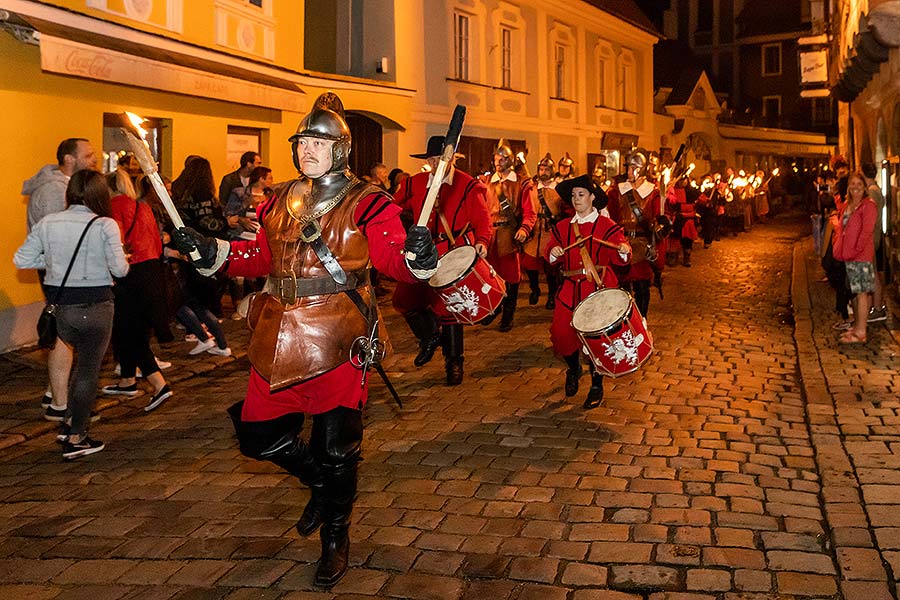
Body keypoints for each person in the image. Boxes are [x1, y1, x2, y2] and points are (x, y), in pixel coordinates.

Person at [170, 92, 438, 587]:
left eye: (318, 141)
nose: (307, 149)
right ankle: (320, 484)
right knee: (257, 437)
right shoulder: (278, 199)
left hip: (339, 336)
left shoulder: (369, 201)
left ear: (340, 148)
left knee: (339, 449)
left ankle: (336, 535)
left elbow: (391, 259)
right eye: (302, 141)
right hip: (277, 335)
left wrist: (419, 257)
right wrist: (211, 249)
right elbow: (258, 258)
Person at [15, 169, 129, 458]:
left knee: (76, 365)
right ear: (100, 194)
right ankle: (77, 435)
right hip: (97, 304)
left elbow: (22, 258)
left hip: (62, 306)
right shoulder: (105, 224)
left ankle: (68, 422)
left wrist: (54, 263)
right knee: (88, 372)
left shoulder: (49, 222)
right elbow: (120, 270)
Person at [392, 135, 492, 385]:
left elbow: (482, 219)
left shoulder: (468, 185)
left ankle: (454, 362)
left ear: (452, 159)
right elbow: (392, 206)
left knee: (450, 309)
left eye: (441, 159)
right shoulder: (414, 183)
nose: (436, 164)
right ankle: (428, 337)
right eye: (432, 160)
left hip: (452, 249)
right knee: (403, 299)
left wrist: (482, 241)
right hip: (422, 251)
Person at [22, 138, 97, 420]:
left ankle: (54, 392)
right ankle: (60, 405)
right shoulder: (54, 191)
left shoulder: (65, 187)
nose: (93, 160)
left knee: (66, 333)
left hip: (64, 271)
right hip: (60, 272)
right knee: (65, 334)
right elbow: (62, 237)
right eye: (88, 156)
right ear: (69, 159)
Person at [545, 175, 630, 408]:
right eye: (573, 195)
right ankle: (573, 369)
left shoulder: (607, 226)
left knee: (597, 340)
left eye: (581, 195)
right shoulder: (562, 227)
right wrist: (554, 253)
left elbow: (621, 257)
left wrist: (623, 250)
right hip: (570, 291)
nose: (576, 199)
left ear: (593, 197)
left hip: (598, 290)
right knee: (561, 335)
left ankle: (596, 384)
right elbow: (550, 252)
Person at [103, 169, 174, 411]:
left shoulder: (114, 206)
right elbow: (156, 240)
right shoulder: (142, 206)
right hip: (152, 270)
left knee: (128, 329)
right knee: (135, 328)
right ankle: (127, 380)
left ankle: (158, 383)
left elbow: (117, 242)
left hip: (130, 272)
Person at [483, 139, 536, 332]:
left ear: (511, 160)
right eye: (497, 158)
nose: (499, 161)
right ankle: (493, 309)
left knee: (511, 277)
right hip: (489, 234)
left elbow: (530, 211)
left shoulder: (522, 183)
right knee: (490, 276)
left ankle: (508, 315)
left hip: (508, 233)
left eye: (504, 158)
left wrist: (524, 228)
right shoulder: (486, 182)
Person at [606, 150, 665, 318]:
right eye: (628, 167)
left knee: (641, 284)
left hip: (642, 242)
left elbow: (659, 218)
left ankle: (641, 319)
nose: (629, 171)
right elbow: (611, 217)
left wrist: (659, 227)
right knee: (622, 285)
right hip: (622, 241)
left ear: (642, 169)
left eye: (633, 167)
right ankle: (624, 319)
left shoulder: (653, 192)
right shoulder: (617, 191)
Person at [832, 172, 877, 344]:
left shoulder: (868, 206)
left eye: (859, 184)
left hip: (861, 255)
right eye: (853, 184)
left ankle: (861, 331)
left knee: (861, 293)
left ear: (864, 187)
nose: (856, 187)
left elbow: (866, 231)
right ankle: (857, 326)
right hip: (848, 254)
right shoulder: (848, 205)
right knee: (855, 293)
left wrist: (856, 249)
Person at [522, 153, 566, 309]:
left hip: (551, 231)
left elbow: (565, 211)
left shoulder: (559, 189)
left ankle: (552, 296)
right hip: (535, 231)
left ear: (552, 170)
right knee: (529, 263)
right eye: (541, 168)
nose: (543, 171)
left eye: (547, 168)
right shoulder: (532, 188)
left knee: (551, 269)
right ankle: (535, 289)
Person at [862, 162, 887, 323]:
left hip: (871, 237)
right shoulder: (876, 189)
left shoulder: (872, 192)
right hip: (874, 236)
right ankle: (875, 306)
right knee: (873, 272)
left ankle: (877, 308)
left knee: (873, 274)